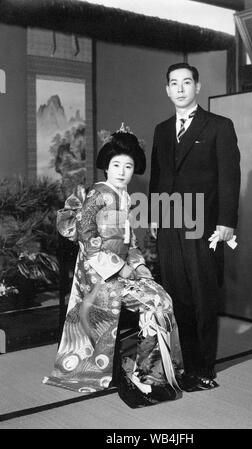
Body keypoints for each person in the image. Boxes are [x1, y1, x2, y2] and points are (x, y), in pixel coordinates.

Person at [43, 126, 183, 408]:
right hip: (99, 275)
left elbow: (129, 244)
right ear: (106, 166)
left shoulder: (126, 196)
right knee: (154, 303)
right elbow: (87, 238)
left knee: (161, 299)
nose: (121, 171)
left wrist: (141, 272)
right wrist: (120, 271)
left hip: (123, 270)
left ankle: (149, 373)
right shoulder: (99, 194)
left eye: (128, 166)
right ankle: (141, 374)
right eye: (116, 164)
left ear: (135, 169)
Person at [148, 62, 240, 392]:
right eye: (174, 83)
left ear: (197, 87)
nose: (181, 88)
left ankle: (203, 369)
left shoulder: (218, 126)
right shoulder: (161, 129)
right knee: (179, 296)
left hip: (204, 225)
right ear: (168, 90)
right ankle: (188, 364)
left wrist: (227, 222)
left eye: (187, 82)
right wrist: (155, 216)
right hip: (171, 221)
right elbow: (158, 178)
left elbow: (230, 177)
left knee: (203, 294)